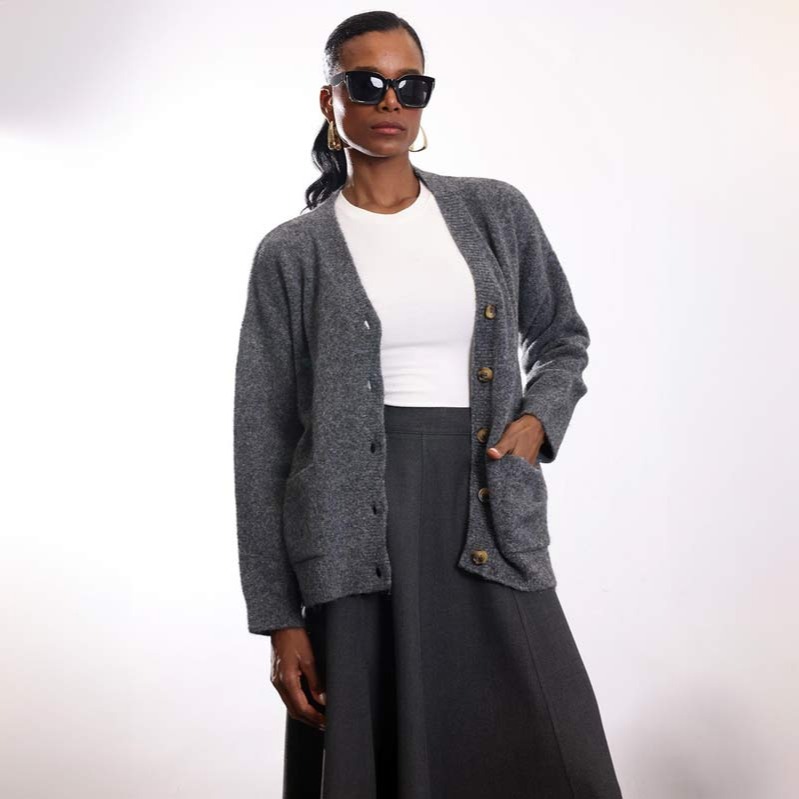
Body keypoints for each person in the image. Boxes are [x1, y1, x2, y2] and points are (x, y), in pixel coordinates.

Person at [233, 10, 624, 799]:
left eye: (409, 86)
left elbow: (562, 337)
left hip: (484, 512)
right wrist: (278, 617)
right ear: (329, 99)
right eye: (366, 83)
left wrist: (536, 421)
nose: (390, 101)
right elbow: (262, 441)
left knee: (559, 755)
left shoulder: (493, 211)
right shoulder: (292, 252)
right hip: (348, 539)